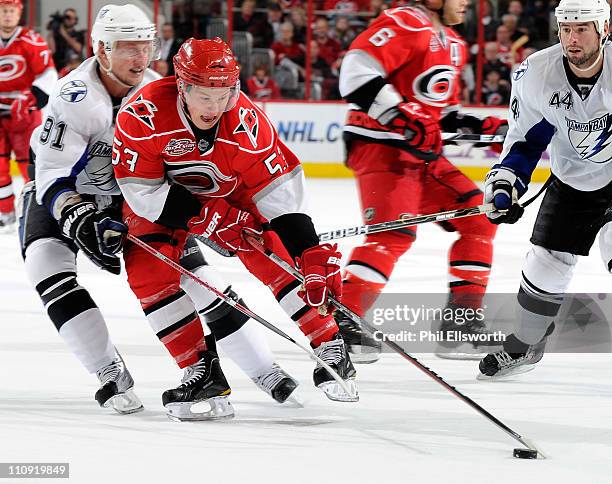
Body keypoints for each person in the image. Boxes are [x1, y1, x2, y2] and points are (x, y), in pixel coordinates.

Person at [20, 4, 299, 420]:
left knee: (193, 273)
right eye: (129, 48)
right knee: (46, 265)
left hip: (133, 197)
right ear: (100, 48)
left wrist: (207, 214)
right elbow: (51, 171)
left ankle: (264, 369)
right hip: (67, 194)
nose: (141, 58)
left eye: (146, 46)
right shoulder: (73, 95)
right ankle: (108, 371)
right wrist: (76, 214)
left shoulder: (161, 91)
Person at [113, 37, 358, 405]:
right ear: (182, 87)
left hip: (235, 191)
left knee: (273, 253)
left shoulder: (247, 123)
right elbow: (143, 194)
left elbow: (279, 198)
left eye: (224, 94)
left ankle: (330, 343)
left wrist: (308, 253)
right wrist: (208, 218)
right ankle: (201, 370)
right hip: (166, 200)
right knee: (147, 271)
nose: (215, 107)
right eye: (205, 97)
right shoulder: (142, 116)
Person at [337, 0, 507, 362]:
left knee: (479, 219)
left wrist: (478, 127)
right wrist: (399, 118)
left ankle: (460, 323)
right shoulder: (406, 21)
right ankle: (341, 322)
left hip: (421, 157)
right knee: (391, 236)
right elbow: (354, 71)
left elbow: (437, 116)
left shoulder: (454, 43)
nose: (466, 4)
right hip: (381, 147)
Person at [479, 0, 612, 379]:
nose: (573, 38)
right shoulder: (537, 73)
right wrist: (506, 185)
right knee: (545, 263)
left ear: (604, 29)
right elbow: (525, 142)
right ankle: (527, 343)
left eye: (582, 28)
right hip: (572, 176)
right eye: (566, 29)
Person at [0, 0, 56, 230]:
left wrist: (30, 100)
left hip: (24, 112)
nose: (7, 15)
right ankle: (5, 212)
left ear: (19, 13)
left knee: (29, 165)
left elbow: (48, 74)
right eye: (3, 11)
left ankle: (33, 209)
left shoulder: (31, 41)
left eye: (12, 11)